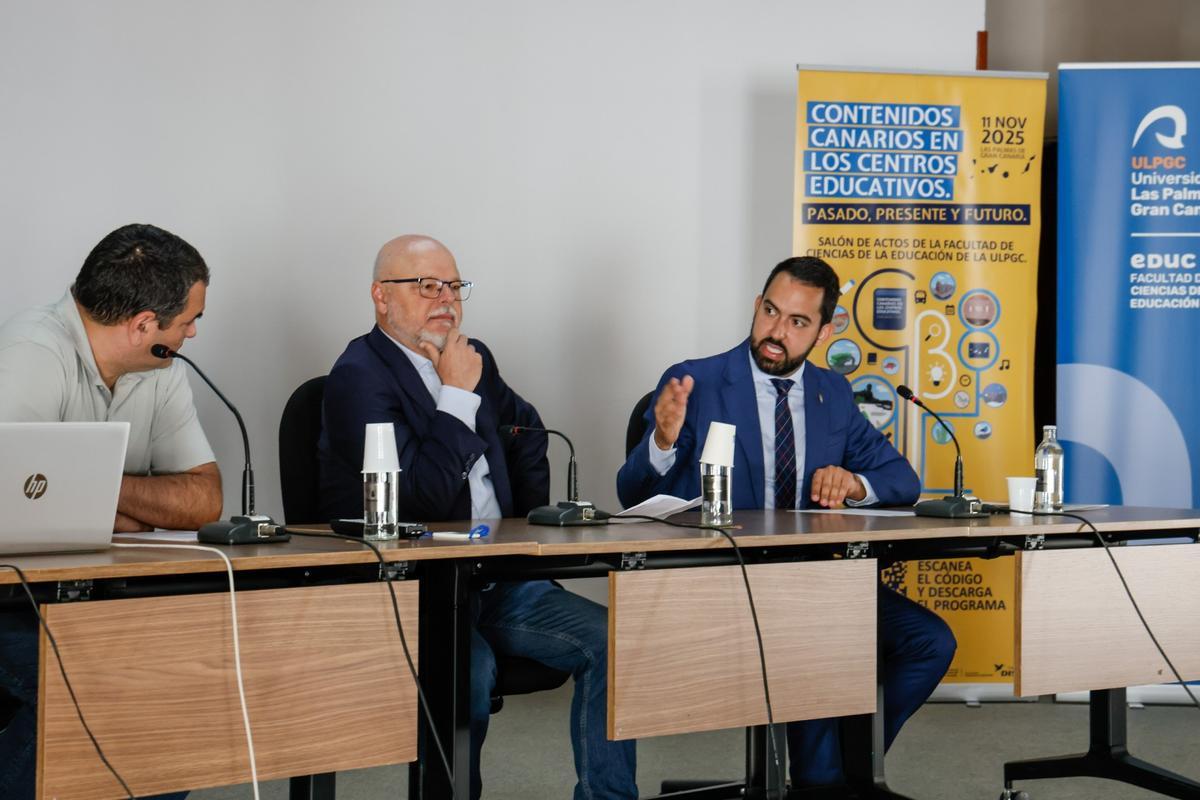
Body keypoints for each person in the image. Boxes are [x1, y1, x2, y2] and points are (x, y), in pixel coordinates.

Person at [319, 234, 637, 800]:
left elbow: (529, 432)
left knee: (615, 640)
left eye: (454, 286)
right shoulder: (358, 375)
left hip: (498, 577)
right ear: (380, 297)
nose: (446, 299)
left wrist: (523, 526)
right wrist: (459, 397)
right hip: (419, 589)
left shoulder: (471, 356)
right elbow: (416, 499)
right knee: (470, 672)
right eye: (425, 286)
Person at [617, 255, 955, 788]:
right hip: (724, 580)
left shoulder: (833, 394)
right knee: (816, 643)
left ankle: (848, 771)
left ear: (825, 331)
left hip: (819, 582)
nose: (776, 332)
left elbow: (902, 479)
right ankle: (827, 782)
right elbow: (632, 493)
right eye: (771, 312)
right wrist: (660, 441)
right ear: (757, 306)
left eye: (798, 322)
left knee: (929, 642)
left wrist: (854, 484)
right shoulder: (697, 382)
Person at [0, 222, 222, 799]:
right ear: (144, 325)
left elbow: (204, 499)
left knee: (181, 684)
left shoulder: (161, 368)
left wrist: (89, 487)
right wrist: (144, 502)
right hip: (9, 601)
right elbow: (10, 506)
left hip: (100, 595)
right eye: (188, 320)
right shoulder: (31, 352)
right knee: (102, 690)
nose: (193, 332)